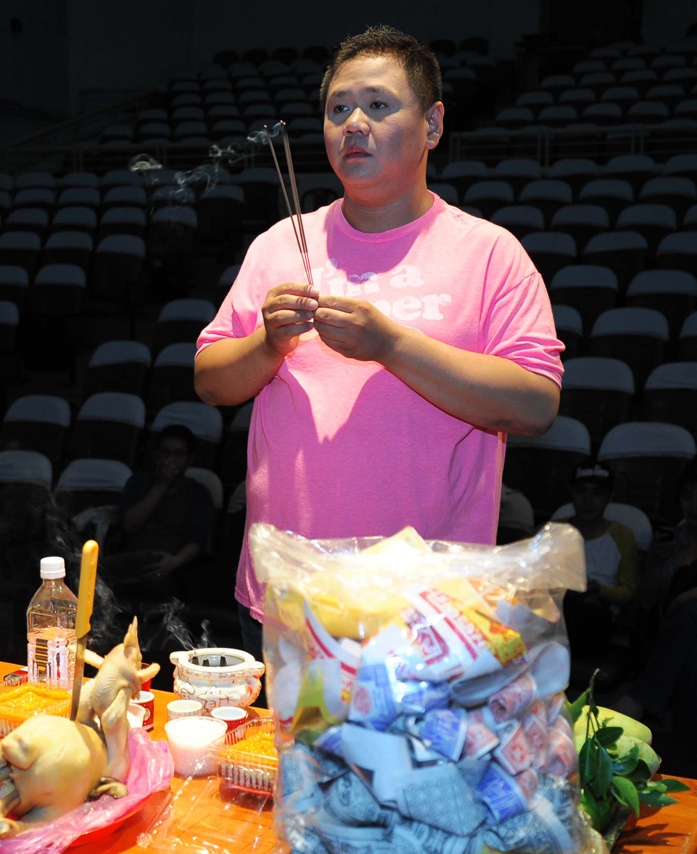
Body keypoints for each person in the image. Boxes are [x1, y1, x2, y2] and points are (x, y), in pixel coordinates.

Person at [194, 25, 564, 657]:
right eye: (338, 109)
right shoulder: (280, 244)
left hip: (429, 611)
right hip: (289, 599)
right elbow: (210, 382)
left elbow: (535, 405)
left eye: (378, 105)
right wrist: (267, 345)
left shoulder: (489, 253)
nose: (354, 124)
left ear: (433, 124)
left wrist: (391, 345)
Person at [614, 459, 697, 727]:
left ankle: (638, 701)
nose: (693, 505)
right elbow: (648, 601)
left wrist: (684, 598)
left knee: (688, 615)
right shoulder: (677, 536)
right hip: (666, 636)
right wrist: (655, 562)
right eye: (687, 496)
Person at [101, 424, 215, 603]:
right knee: (90, 570)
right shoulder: (138, 482)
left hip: (169, 565)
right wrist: (161, 485)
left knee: (156, 572)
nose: (169, 459)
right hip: (132, 560)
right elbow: (129, 526)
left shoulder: (198, 493)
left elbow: (197, 542)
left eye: (178, 454)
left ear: (189, 460)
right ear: (156, 455)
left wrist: (175, 561)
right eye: (164, 452)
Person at [561, 460, 639, 686]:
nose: (588, 500)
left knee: (585, 609)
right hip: (557, 609)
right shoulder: (553, 531)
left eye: (597, 493)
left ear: (609, 497)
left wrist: (598, 589)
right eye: (581, 491)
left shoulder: (623, 536)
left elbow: (628, 592)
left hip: (598, 619)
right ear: (571, 492)